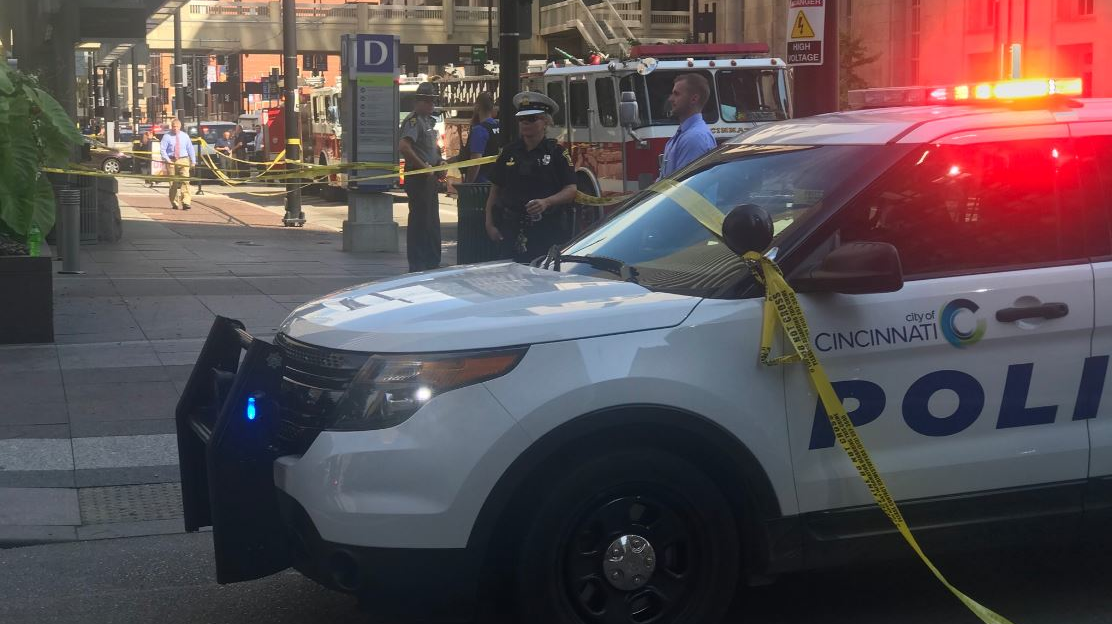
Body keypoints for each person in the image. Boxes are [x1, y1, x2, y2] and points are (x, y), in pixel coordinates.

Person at [484, 91, 578, 263]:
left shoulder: (558, 154)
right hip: (510, 230)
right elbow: (495, 190)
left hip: (546, 231)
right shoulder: (509, 152)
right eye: (522, 119)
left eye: (532, 118)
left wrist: (547, 202)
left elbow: (571, 190)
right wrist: (490, 225)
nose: (525, 123)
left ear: (546, 122)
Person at [398, 82, 445, 272]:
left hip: (430, 176)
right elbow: (404, 147)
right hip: (419, 177)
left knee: (432, 220)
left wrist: (440, 162)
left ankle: (432, 260)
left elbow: (432, 149)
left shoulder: (429, 122)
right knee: (420, 221)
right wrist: (423, 167)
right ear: (419, 101)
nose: (431, 105)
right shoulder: (413, 121)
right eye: (428, 101)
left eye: (433, 101)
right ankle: (418, 263)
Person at [658, 73, 717, 179]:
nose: (671, 99)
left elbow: (683, 187)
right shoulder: (685, 134)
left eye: (677, 94)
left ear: (694, 99)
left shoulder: (695, 138)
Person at [460, 92, 500, 184]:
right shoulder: (499, 126)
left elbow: (476, 162)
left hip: (481, 185)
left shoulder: (480, 130)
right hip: (496, 181)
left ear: (477, 107)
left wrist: (468, 184)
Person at [159, 118, 197, 210]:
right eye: (173, 126)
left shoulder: (185, 136)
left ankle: (186, 202)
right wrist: (167, 159)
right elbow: (162, 149)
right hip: (171, 161)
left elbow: (190, 149)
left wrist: (193, 161)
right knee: (173, 183)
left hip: (183, 159)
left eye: (176, 126)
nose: (174, 128)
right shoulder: (166, 136)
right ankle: (174, 202)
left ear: (180, 127)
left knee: (185, 181)